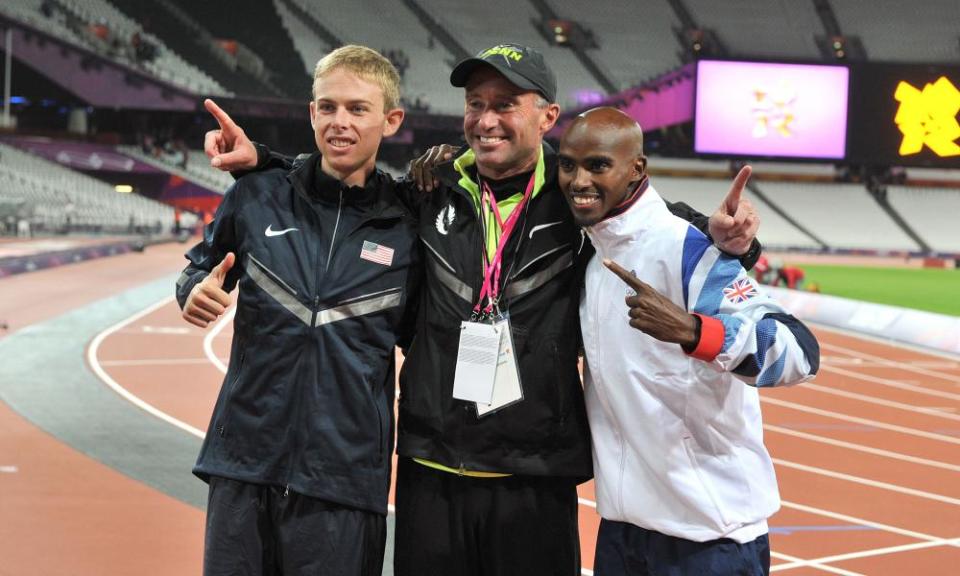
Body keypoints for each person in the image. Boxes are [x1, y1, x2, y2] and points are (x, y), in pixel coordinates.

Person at [202, 43, 761, 576]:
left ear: (547, 117)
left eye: (505, 106)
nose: (486, 119)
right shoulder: (429, 187)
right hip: (432, 470)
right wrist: (266, 162)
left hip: (533, 476)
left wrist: (734, 242)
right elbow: (345, 180)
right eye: (476, 105)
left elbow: (663, 231)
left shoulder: (577, 200)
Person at [176, 45, 419, 576]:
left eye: (358, 109)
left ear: (391, 120)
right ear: (311, 113)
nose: (340, 122)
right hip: (244, 460)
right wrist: (192, 291)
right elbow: (198, 267)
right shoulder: (256, 195)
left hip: (344, 478)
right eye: (327, 107)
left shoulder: (408, 225)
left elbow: (424, 339)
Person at [557, 107, 819, 575]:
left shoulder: (686, 247)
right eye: (567, 164)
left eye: (597, 165)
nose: (579, 180)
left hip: (707, 538)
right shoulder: (595, 255)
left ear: (636, 168)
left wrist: (697, 333)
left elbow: (798, 352)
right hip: (623, 529)